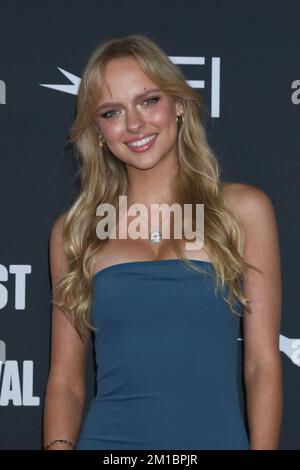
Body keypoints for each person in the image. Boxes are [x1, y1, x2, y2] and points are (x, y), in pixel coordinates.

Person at [43, 34, 282, 450]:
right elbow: (65, 381)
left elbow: (262, 364)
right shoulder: (75, 231)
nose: (134, 124)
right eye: (112, 111)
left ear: (180, 106)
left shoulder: (243, 211)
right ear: (98, 130)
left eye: (148, 100)